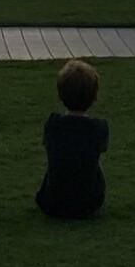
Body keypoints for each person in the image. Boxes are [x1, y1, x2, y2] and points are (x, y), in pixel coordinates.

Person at [36, 58, 108, 220]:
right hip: (89, 204)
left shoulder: (53, 124)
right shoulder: (99, 128)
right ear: (95, 94)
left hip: (52, 203)